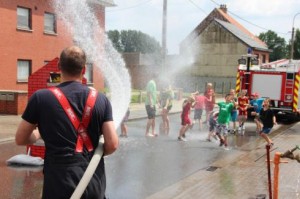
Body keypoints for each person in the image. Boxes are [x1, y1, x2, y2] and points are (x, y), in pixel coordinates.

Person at [15, 46, 119, 199]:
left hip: (58, 183)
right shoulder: (101, 99)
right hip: (92, 181)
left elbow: (21, 139)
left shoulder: (40, 98)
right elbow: (112, 144)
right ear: (83, 70)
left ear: (59, 67)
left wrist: (38, 134)